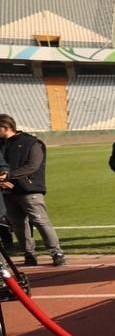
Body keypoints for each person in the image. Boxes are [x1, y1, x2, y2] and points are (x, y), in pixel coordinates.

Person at [0, 114, 66, 266]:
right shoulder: (1, 144)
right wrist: (2, 180)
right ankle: (29, 253)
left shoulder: (31, 143)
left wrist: (8, 176)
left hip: (29, 190)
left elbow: (32, 166)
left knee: (40, 221)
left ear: (5, 127)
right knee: (18, 225)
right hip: (8, 192)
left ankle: (56, 252)